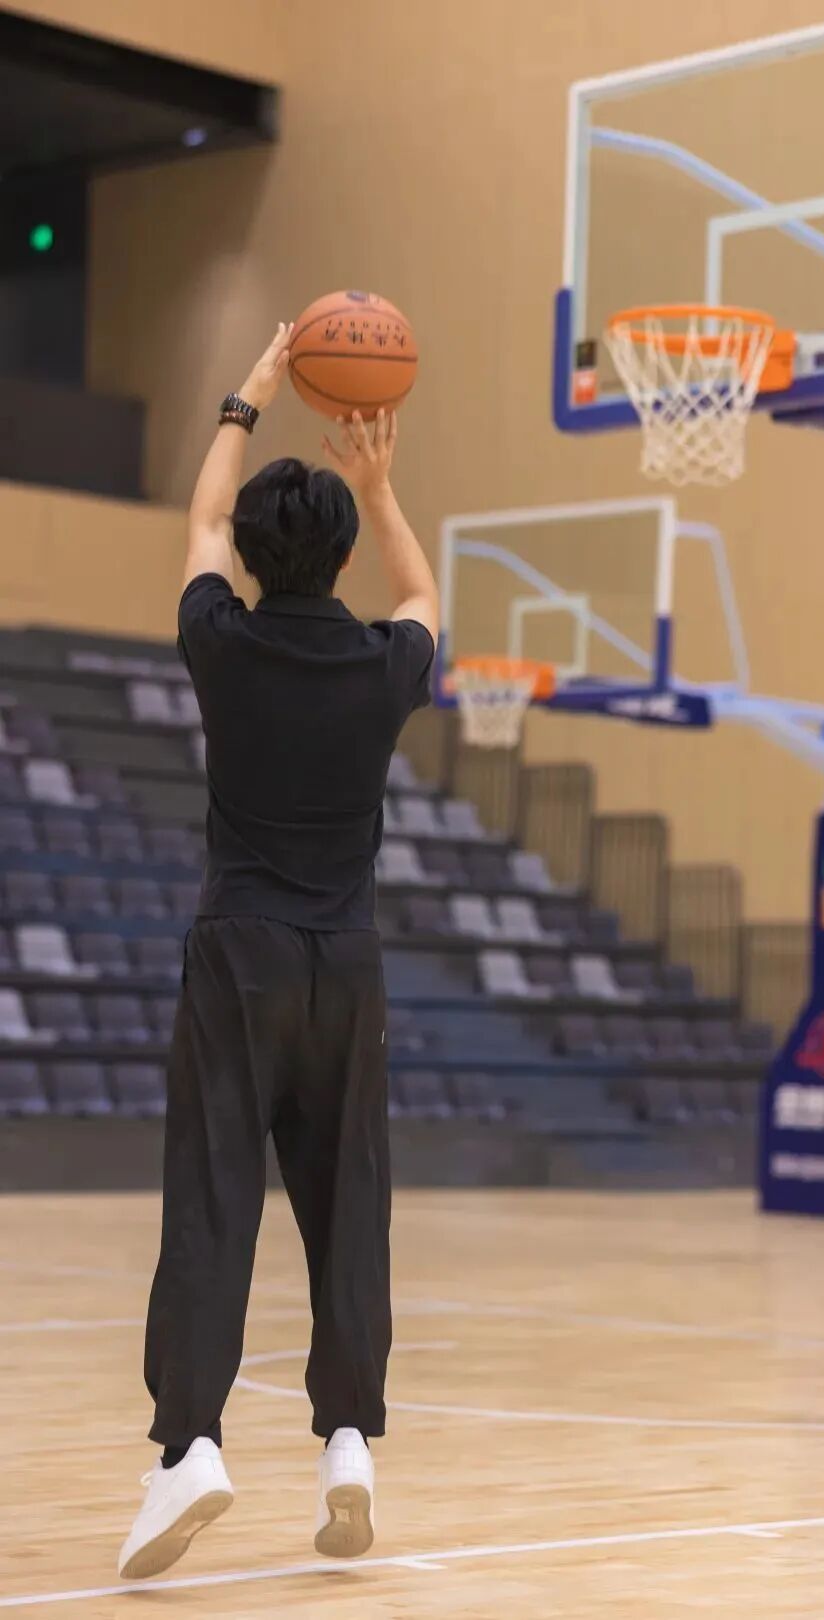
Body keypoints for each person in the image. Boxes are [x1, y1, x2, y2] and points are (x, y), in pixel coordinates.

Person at [119, 324, 438, 1581]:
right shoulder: (382, 662)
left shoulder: (225, 642)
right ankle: (348, 1437)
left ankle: (190, 1447)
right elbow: (423, 598)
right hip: (344, 962)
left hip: (239, 953)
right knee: (350, 1205)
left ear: (251, 557)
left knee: (212, 1199)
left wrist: (248, 396)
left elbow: (202, 518)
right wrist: (379, 484)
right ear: (342, 554)